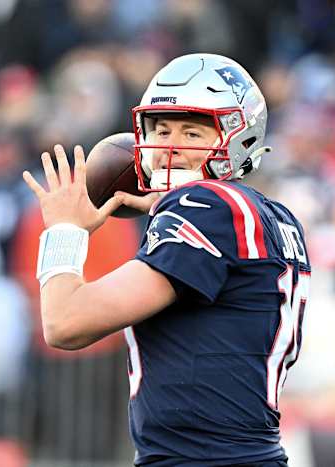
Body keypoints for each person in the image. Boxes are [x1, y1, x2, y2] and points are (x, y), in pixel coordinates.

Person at [23, 53, 310, 466]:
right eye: (161, 129)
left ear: (237, 137)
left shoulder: (205, 206)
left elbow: (65, 323)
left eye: (192, 134)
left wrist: (64, 231)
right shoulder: (276, 217)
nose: (171, 148)